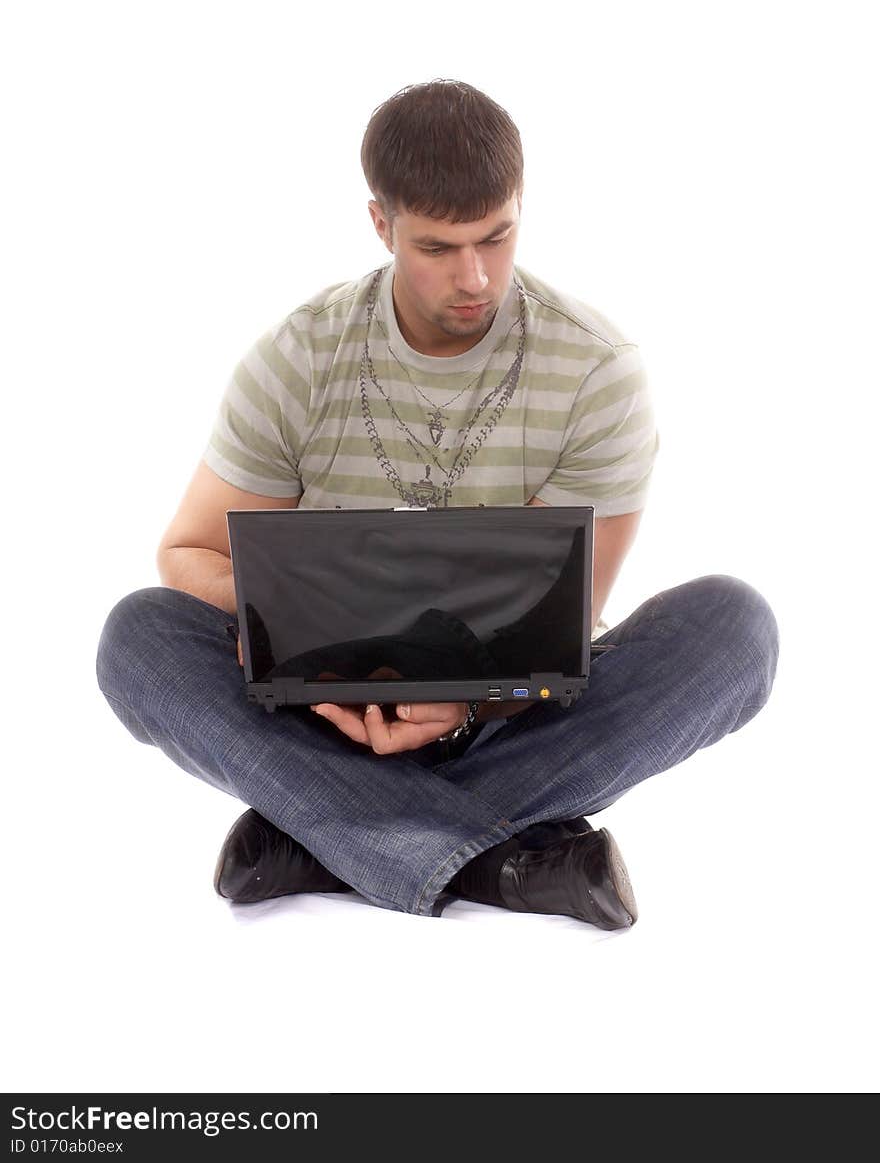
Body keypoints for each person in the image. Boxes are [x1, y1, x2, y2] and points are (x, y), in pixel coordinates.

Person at [95, 79, 780, 929]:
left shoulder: (596, 371)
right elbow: (188, 555)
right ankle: (510, 862)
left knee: (737, 628)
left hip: (512, 719)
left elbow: (563, 621)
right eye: (439, 247)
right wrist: (316, 645)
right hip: (323, 720)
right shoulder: (298, 358)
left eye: (498, 235)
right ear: (381, 225)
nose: (477, 276)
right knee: (138, 636)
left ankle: (323, 837)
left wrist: (463, 702)